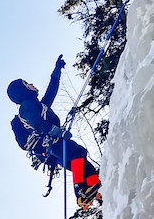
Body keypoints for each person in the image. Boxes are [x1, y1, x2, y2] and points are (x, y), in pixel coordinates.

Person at [7, 56, 101, 205]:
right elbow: (37, 123)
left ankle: (92, 186)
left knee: (80, 158)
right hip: (51, 143)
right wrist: (58, 132)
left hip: (52, 147)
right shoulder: (27, 106)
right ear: (23, 90)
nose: (31, 84)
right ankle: (82, 189)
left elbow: (51, 92)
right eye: (27, 84)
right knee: (77, 154)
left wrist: (56, 71)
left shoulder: (38, 105)